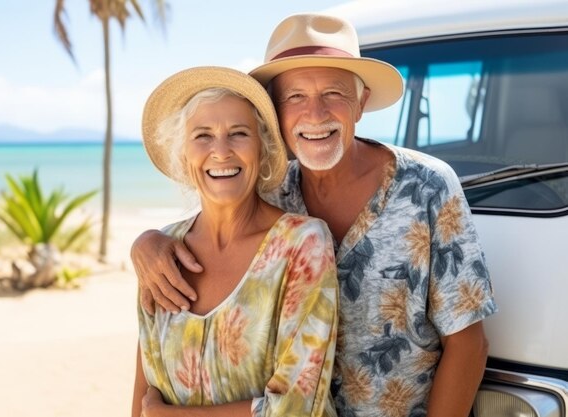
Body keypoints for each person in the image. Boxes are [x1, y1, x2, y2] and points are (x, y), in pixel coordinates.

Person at [131, 14, 498, 417]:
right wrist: (147, 242)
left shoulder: (427, 186)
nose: (315, 113)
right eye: (295, 97)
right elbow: (212, 213)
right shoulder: (269, 191)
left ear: (360, 103)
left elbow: (468, 343)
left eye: (334, 94)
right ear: (275, 115)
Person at [131, 66, 339, 417]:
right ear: (183, 154)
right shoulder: (161, 254)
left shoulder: (302, 245)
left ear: (263, 148)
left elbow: (297, 408)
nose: (221, 151)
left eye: (239, 133)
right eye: (203, 136)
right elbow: (145, 394)